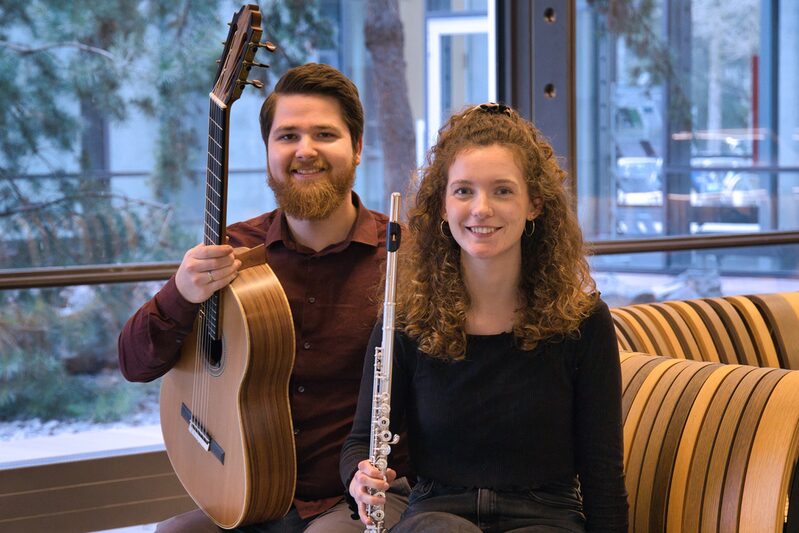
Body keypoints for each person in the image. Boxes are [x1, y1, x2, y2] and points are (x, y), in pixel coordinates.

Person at [118, 63, 408, 532]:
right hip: (252, 492)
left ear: (357, 148)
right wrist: (181, 293)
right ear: (269, 150)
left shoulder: (404, 259)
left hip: (355, 496)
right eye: (287, 136)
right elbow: (135, 363)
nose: (305, 151)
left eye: (325, 135)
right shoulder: (232, 252)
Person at [341, 103, 628, 532]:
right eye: (463, 191)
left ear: (534, 204)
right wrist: (359, 478)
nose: (481, 208)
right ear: (441, 205)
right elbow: (359, 442)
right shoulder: (407, 320)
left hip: (545, 515)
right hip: (438, 512)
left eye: (502, 190)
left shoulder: (583, 323)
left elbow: (603, 472)